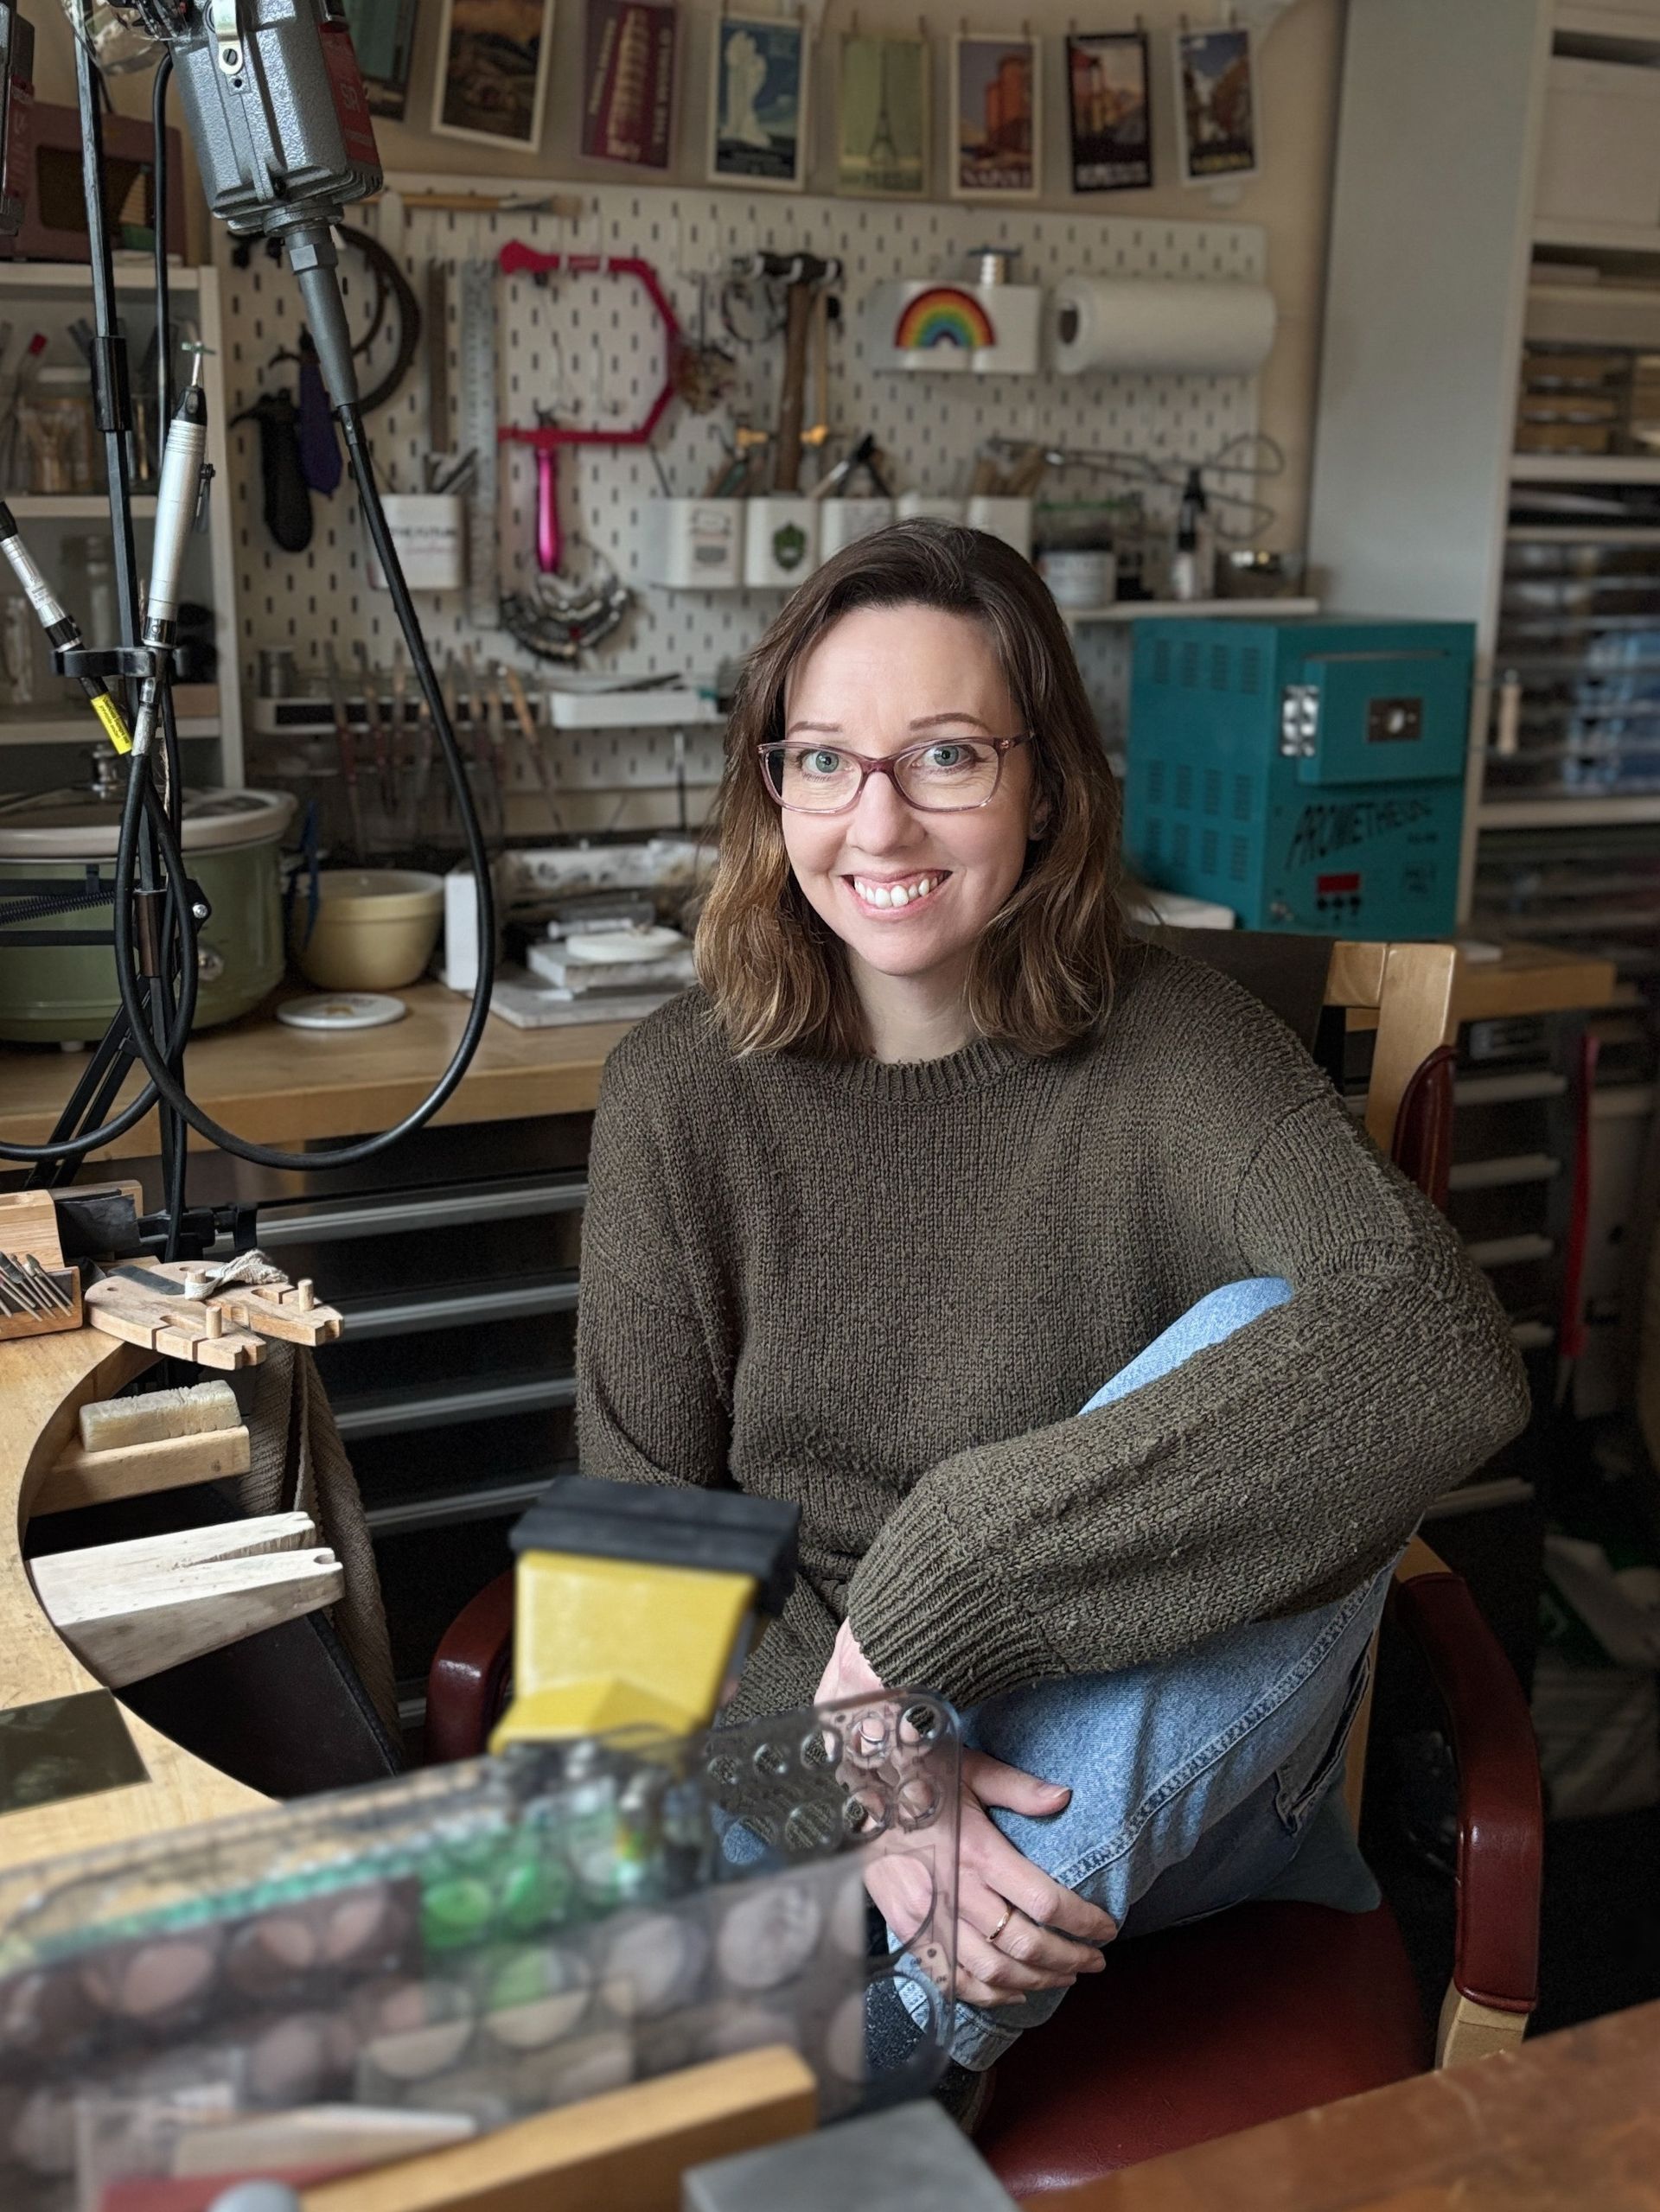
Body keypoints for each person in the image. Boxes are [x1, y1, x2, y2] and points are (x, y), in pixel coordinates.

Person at [575, 520, 1529, 2114]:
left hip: (1154, 1746)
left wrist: (938, 1587)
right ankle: (894, 2029)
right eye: (825, 759)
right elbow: (636, 1563)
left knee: (1293, 1339)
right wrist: (875, 1773)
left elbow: (1442, 1351)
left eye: (947, 754)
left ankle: (889, 2044)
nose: (878, 819)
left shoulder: (1177, 1045)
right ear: (772, 788)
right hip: (805, 1744)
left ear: (1047, 786)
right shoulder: (674, 1093)